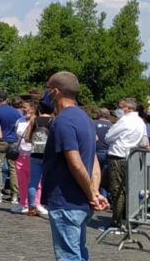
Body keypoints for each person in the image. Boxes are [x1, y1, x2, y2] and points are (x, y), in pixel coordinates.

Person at [41, 72, 108, 261]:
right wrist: (94, 192)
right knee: (79, 253)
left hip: (66, 200)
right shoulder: (85, 119)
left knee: (69, 257)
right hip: (80, 202)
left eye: (48, 89)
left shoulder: (63, 121)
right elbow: (93, 159)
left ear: (55, 91)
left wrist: (91, 194)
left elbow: (75, 162)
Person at [103, 97, 147, 232]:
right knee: (129, 190)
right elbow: (144, 142)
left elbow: (108, 137)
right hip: (132, 157)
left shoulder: (125, 120)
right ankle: (129, 219)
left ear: (128, 108)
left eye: (121, 107)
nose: (119, 109)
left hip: (118, 156)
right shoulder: (141, 122)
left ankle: (116, 221)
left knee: (117, 190)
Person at [12, 100, 41, 215]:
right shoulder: (19, 121)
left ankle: (36, 204)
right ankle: (23, 203)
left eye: (25, 107)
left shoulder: (38, 121)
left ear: (33, 108)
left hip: (33, 155)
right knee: (22, 181)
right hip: (21, 154)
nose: (23, 109)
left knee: (37, 182)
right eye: (22, 107)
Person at [25, 99, 52, 218]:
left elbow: (27, 138)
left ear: (39, 109)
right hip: (49, 155)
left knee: (33, 182)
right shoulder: (53, 120)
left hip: (35, 153)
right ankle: (48, 206)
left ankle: (31, 207)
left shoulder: (34, 120)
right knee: (50, 181)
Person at [0, 91, 22, 204]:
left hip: (1, 140)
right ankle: (15, 194)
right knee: (13, 168)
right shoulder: (16, 112)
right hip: (13, 141)